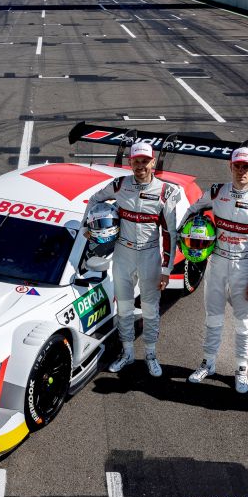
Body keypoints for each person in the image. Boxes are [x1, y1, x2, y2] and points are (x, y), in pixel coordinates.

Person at [182, 147, 248, 394]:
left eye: (246, 167)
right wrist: (185, 232)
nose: (241, 171)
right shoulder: (216, 191)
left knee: (243, 322)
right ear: (230, 167)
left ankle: (241, 369)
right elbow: (192, 210)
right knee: (213, 316)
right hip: (216, 261)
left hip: (244, 266)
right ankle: (208, 362)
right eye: (237, 166)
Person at [84, 141, 180, 376]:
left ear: (153, 162)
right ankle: (127, 353)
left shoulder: (166, 192)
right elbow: (94, 199)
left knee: (150, 309)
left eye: (145, 161)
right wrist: (88, 225)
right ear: (130, 163)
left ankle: (150, 354)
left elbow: (169, 233)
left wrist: (167, 270)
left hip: (149, 255)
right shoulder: (119, 185)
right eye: (136, 161)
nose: (140, 166)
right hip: (123, 253)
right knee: (124, 308)